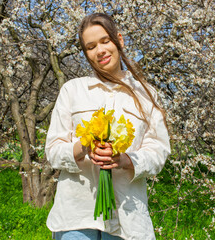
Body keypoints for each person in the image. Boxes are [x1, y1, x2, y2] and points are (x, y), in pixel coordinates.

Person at [45, 13, 171, 240]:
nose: (100, 51)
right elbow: (52, 151)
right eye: (91, 47)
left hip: (128, 220)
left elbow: (159, 152)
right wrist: (83, 145)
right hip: (76, 217)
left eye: (105, 41)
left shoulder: (147, 95)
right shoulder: (73, 90)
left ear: (119, 40)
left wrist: (124, 160)